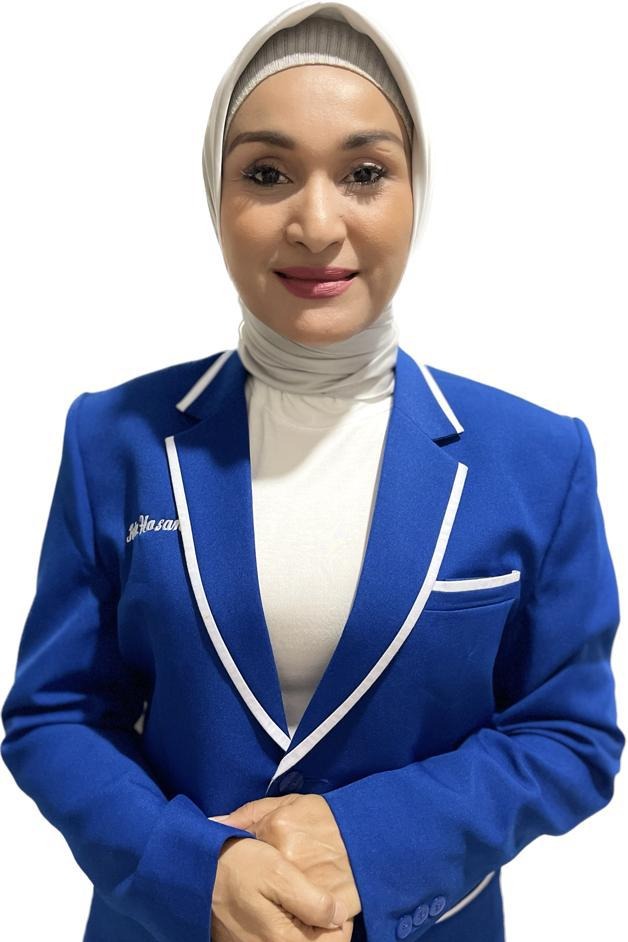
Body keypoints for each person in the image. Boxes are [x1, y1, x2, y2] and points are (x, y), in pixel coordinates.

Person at [1, 2, 623, 941]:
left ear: (417, 191)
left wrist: (367, 840)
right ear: (216, 197)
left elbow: (570, 735)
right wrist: (193, 872)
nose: (316, 223)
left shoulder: (538, 457)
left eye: (365, 173)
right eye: (267, 173)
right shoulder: (113, 438)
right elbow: (55, 715)